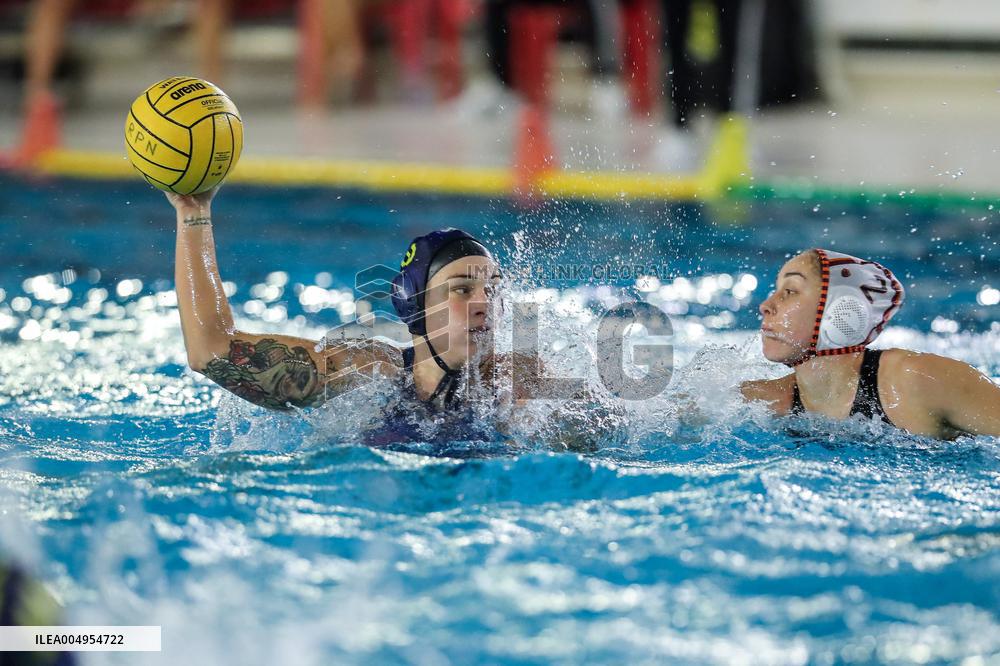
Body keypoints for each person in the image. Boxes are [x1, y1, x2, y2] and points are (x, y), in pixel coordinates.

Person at [167, 186, 611, 448]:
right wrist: (194, 214)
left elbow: (608, 433)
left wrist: (565, 422)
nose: (485, 303)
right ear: (416, 306)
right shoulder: (368, 372)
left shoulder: (517, 379)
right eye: (462, 289)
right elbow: (211, 350)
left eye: (493, 290)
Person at [741, 249, 1000, 439]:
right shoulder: (766, 402)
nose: (766, 306)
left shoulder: (916, 380)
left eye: (790, 291)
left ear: (841, 311)